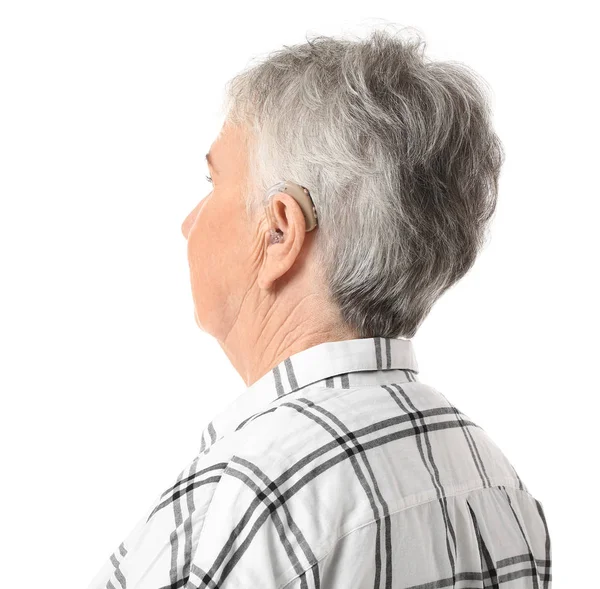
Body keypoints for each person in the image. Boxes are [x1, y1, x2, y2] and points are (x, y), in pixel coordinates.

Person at [88, 28, 552, 589]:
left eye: (212, 181)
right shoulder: (498, 485)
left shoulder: (238, 506)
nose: (188, 222)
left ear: (280, 232)